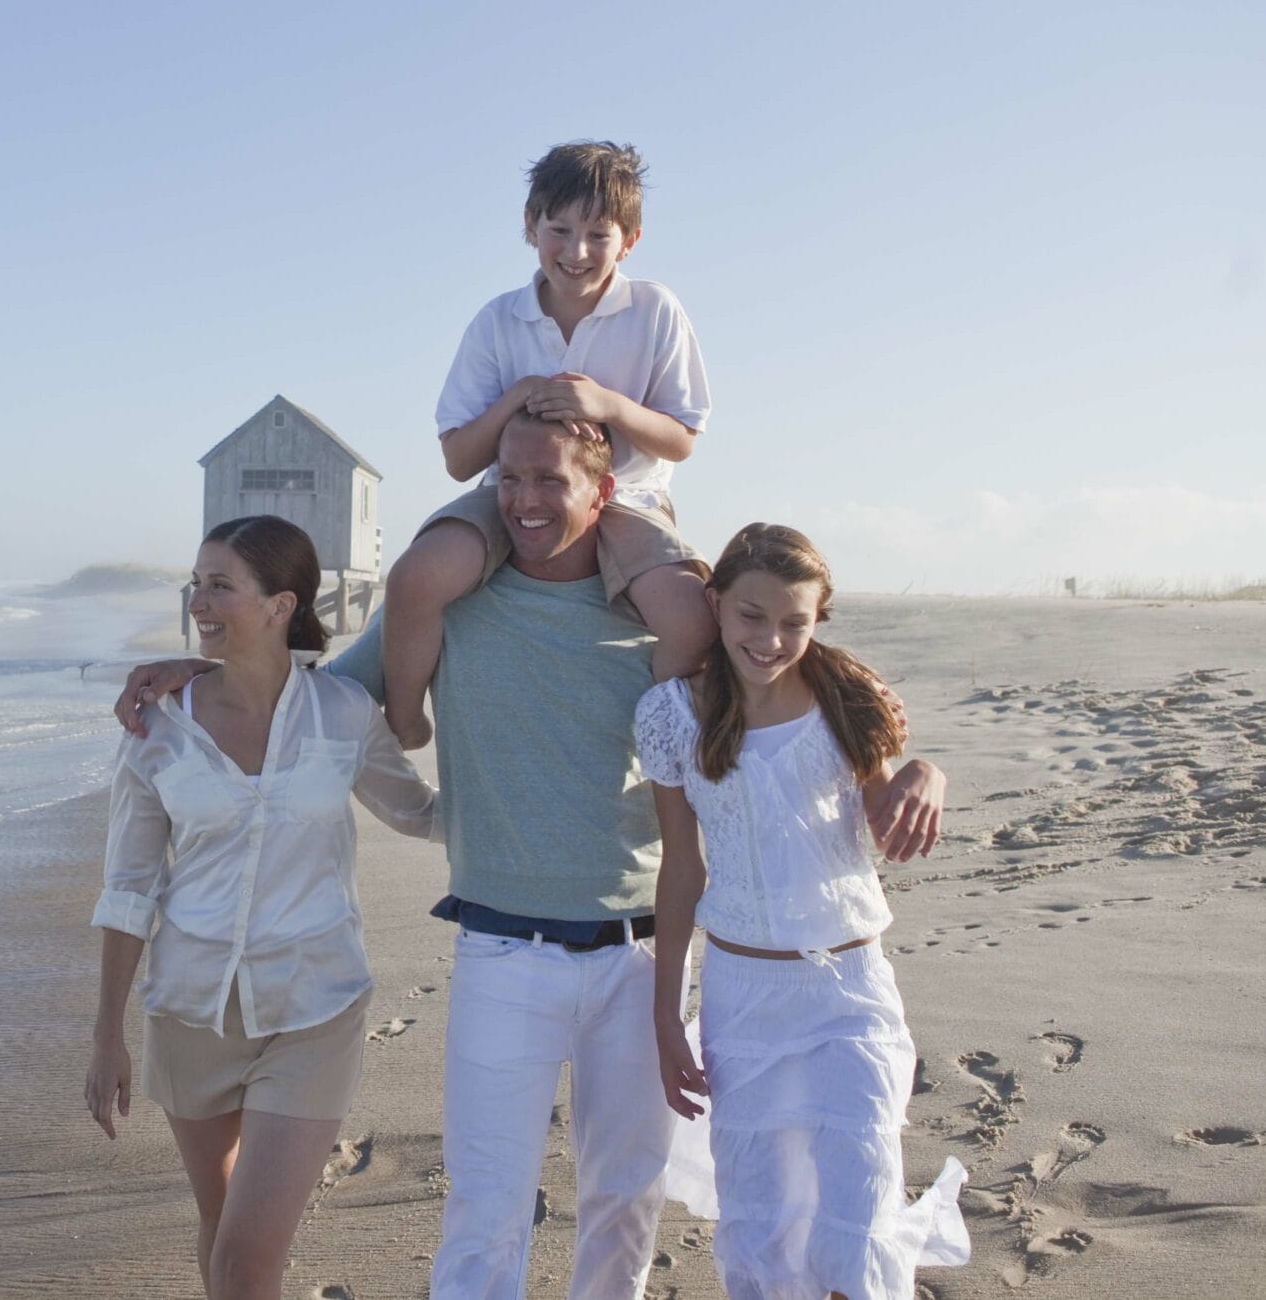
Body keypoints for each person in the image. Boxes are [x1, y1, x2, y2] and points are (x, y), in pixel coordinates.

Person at [118, 416, 950, 1300]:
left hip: (636, 957)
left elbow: (788, 672)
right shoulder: (447, 609)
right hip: (499, 951)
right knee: (485, 1207)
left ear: (604, 495)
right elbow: (307, 695)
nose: (523, 500)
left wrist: (921, 766)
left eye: (550, 481)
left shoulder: (666, 629)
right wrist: (201, 666)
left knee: (623, 1200)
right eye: (507, 481)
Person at [86, 514, 442, 1300]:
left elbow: (420, 812)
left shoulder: (343, 711)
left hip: (313, 1010)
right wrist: (108, 1032)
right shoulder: (155, 728)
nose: (200, 601)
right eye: (195, 582)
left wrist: (539, 815)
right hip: (191, 1013)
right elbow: (130, 886)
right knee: (221, 1231)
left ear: (282, 604)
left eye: (221, 585)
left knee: (248, 1254)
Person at [640, 522, 969, 1300]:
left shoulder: (844, 700)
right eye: (752, 615)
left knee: (856, 1219)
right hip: (741, 999)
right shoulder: (673, 715)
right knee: (760, 1229)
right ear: (716, 605)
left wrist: (926, 772)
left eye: (795, 620)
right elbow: (680, 872)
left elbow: (889, 813)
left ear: (819, 618)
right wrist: (665, 1017)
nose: (772, 638)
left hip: (849, 993)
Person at [381, 141, 716, 751]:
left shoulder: (655, 309)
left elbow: (682, 439)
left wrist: (607, 405)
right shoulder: (498, 320)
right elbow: (459, 461)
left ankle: (653, 732)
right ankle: (405, 718)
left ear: (630, 240)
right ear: (530, 226)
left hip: (628, 497)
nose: (577, 251)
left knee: (692, 617)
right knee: (413, 578)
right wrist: (521, 396)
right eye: (558, 229)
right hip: (510, 493)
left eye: (598, 234)